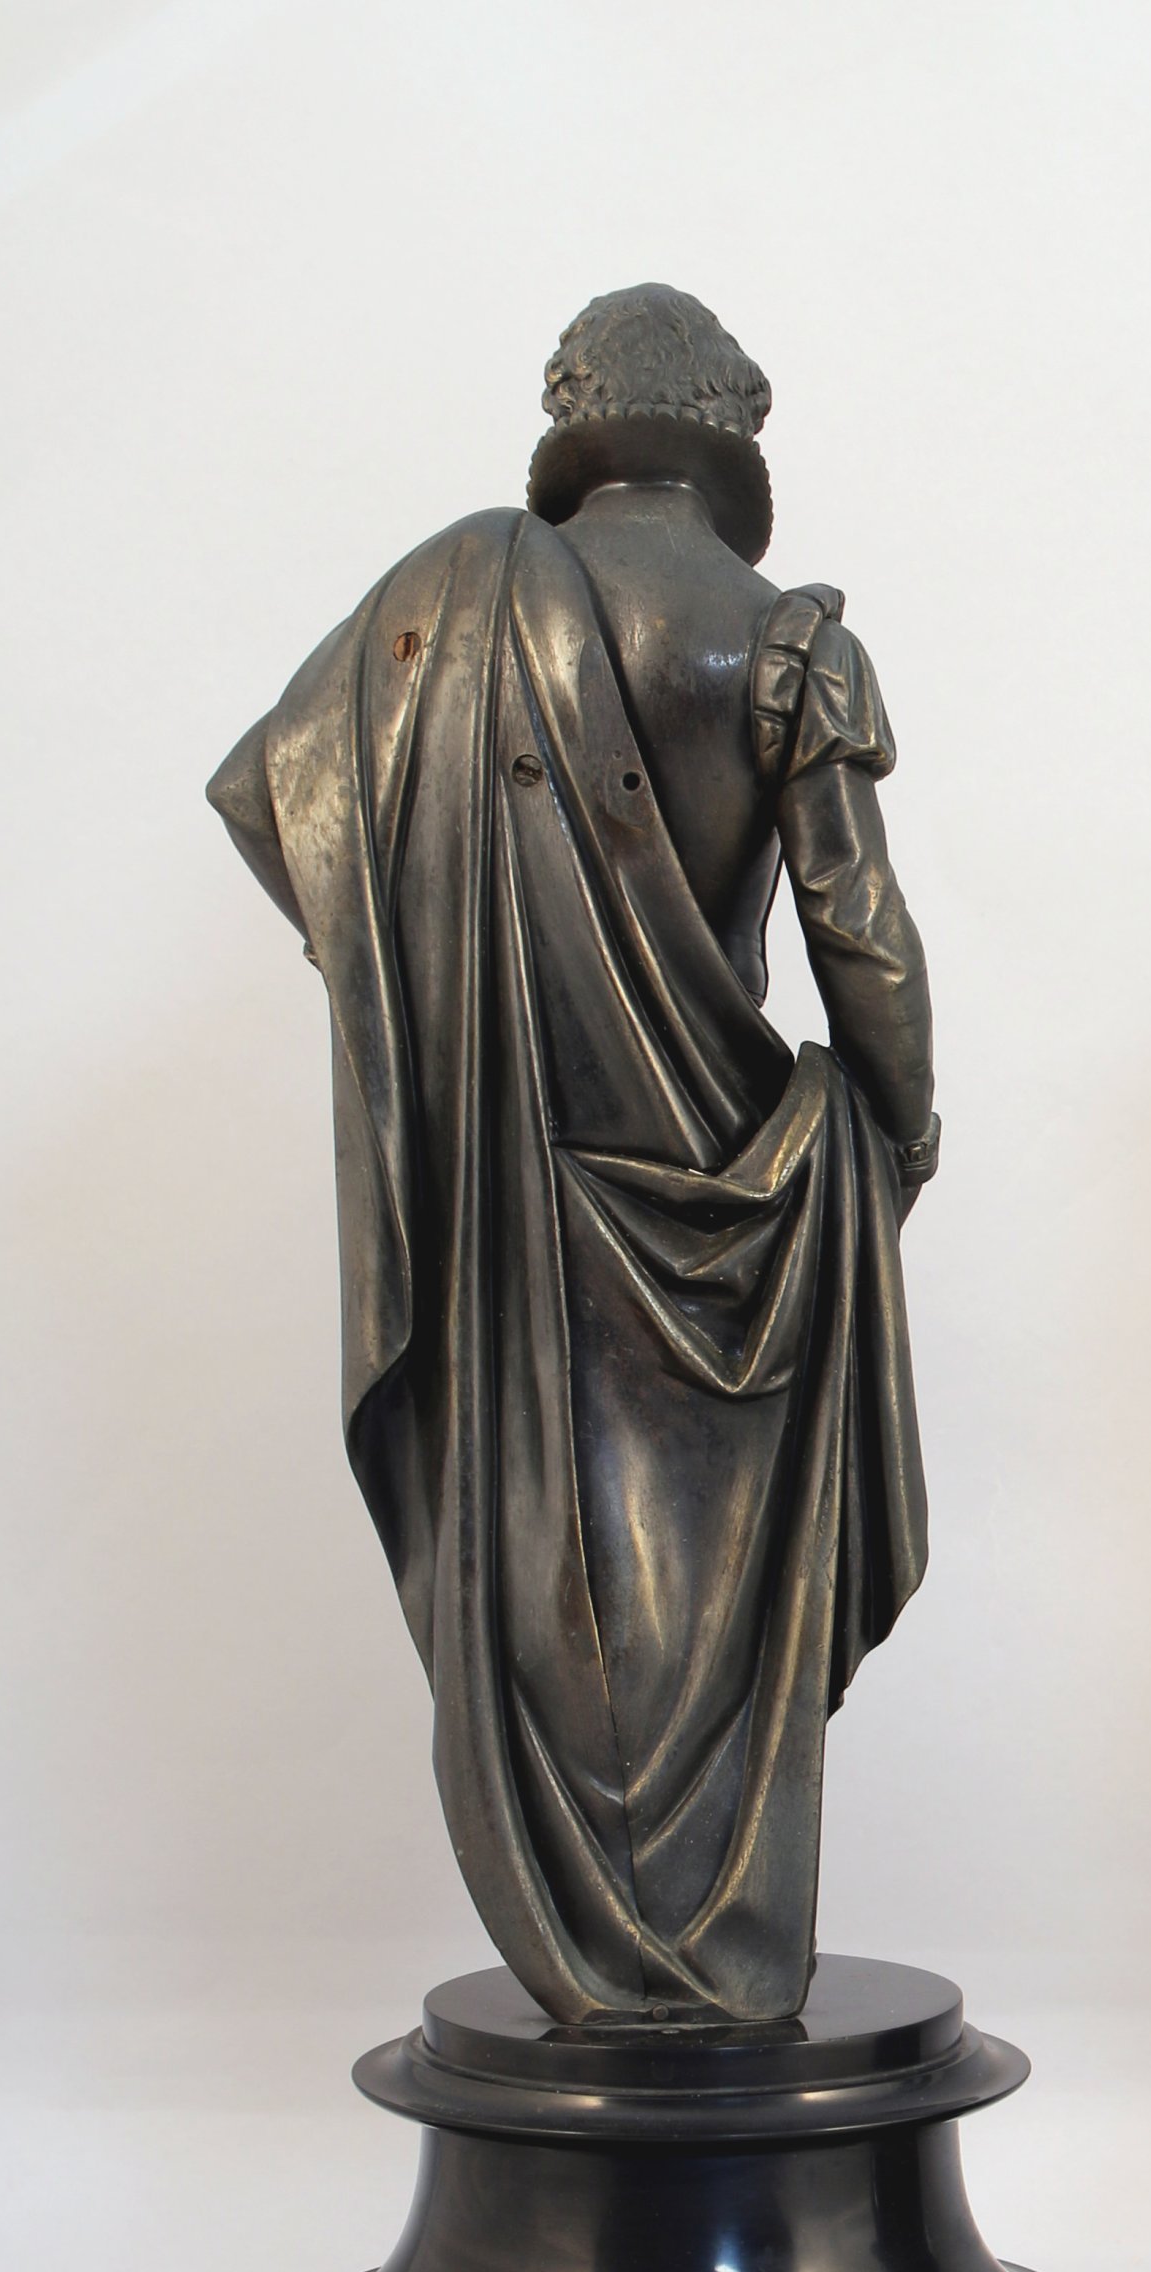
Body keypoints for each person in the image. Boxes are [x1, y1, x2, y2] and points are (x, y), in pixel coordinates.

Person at [210, 285, 935, 2025]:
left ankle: (614, 1964)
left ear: (579, 415)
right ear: (731, 430)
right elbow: (865, 939)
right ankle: (707, 1962)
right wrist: (893, 1142)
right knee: (722, 1613)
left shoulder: (446, 610)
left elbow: (267, 799)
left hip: (519, 1186)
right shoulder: (781, 642)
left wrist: (413, 975)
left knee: (560, 1575)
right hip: (742, 1192)